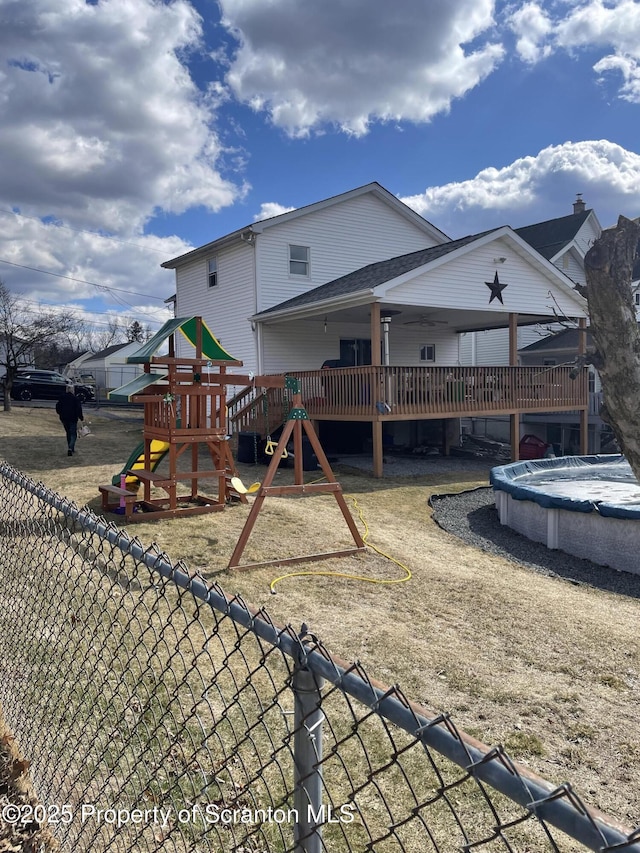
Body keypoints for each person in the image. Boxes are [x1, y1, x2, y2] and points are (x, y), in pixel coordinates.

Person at [55, 386, 84, 456]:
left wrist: (60, 414)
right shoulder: (75, 399)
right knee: (73, 434)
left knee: (68, 432)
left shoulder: (62, 398)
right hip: (73, 418)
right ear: (72, 391)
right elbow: (78, 409)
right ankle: (71, 448)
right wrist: (81, 417)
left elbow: (57, 407)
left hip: (64, 418)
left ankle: (70, 447)